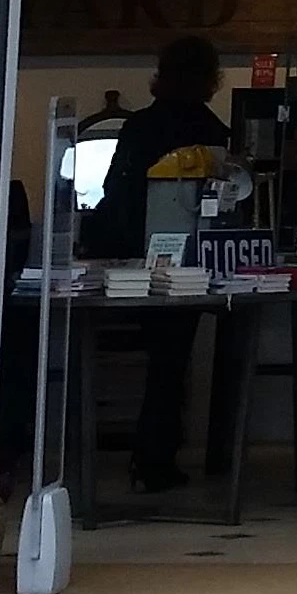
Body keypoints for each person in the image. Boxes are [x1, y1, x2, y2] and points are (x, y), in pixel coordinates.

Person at [89, 36, 229, 494]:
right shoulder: (213, 133)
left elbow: (113, 191)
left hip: (128, 259)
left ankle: (136, 459)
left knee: (154, 359)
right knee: (172, 360)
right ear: (211, 79)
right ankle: (156, 459)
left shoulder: (138, 127)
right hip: (189, 262)